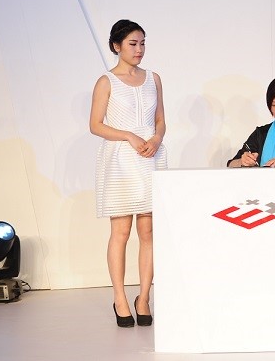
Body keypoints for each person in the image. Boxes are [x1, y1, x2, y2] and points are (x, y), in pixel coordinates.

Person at [89, 19, 167, 328]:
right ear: (116, 46)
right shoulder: (106, 81)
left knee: (148, 232)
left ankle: (144, 297)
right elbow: (95, 125)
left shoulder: (153, 79)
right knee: (120, 232)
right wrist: (128, 136)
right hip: (121, 160)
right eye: (133, 44)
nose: (139, 49)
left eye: (142, 43)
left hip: (150, 157)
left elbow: (160, 119)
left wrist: (156, 138)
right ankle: (120, 298)